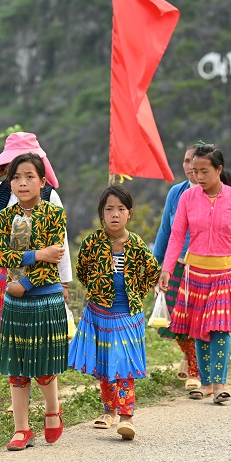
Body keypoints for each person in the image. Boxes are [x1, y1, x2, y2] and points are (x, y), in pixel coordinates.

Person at [159, 144, 231, 404]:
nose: (198, 177)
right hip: (195, 273)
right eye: (195, 171)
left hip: (229, 273)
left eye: (204, 171)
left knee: (221, 329)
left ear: (219, 170)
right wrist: (167, 268)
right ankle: (205, 384)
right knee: (199, 329)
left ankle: (220, 383)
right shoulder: (187, 199)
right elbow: (176, 236)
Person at [0, 132, 73, 348]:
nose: (21, 180)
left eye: (28, 173)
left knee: (37, 340)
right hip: (7, 277)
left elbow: (61, 244)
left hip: (41, 276)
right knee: (9, 341)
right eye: (13, 167)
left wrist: (64, 282)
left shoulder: (49, 196)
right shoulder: (2, 191)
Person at [68, 185, 161, 440]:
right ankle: (108, 411)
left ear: (129, 213)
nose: (115, 214)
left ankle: (126, 417)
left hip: (127, 314)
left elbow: (153, 271)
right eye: (109, 209)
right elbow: (82, 272)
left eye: (121, 209)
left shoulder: (136, 244)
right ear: (101, 213)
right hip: (99, 313)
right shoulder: (91, 243)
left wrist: (137, 292)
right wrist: (100, 290)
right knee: (104, 364)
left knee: (123, 365)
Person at [0, 153, 68, 451]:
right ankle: (21, 428)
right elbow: (1, 256)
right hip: (15, 297)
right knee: (18, 365)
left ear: (43, 181)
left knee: (43, 363)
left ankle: (53, 409)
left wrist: (24, 283)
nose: (22, 183)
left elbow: (55, 259)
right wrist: (37, 254)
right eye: (16, 177)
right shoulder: (4, 218)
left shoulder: (54, 214)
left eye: (29, 177)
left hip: (42, 296)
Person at [152, 142, 202, 391]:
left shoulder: (216, 193)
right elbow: (166, 232)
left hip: (204, 267)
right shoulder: (176, 193)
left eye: (194, 160)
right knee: (173, 319)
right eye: (185, 160)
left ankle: (195, 368)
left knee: (198, 321)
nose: (189, 166)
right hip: (177, 266)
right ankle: (191, 356)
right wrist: (154, 266)